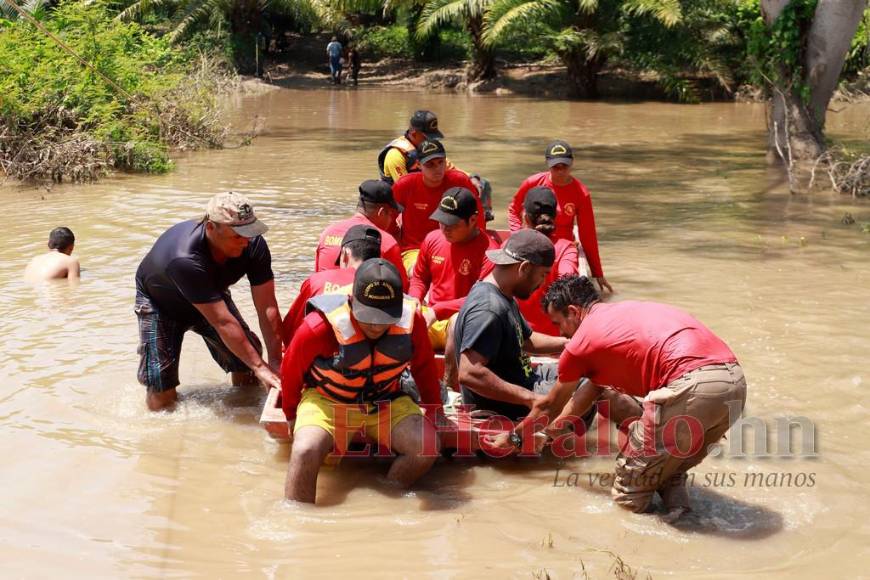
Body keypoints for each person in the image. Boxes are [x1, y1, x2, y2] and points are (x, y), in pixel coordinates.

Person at [492, 275, 747, 518]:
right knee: (667, 470)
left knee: (628, 492)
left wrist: (515, 437)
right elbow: (590, 391)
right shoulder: (620, 315)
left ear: (573, 311)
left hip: (691, 385)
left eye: (558, 323)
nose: (561, 334)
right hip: (733, 383)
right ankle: (684, 519)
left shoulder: (581, 344)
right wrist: (549, 434)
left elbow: (550, 405)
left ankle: (643, 543)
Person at [281, 259, 443, 503]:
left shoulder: (413, 322)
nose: (376, 326)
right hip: (328, 400)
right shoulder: (317, 327)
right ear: (351, 301)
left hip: (386, 400)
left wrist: (435, 410)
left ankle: (388, 496)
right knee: (305, 450)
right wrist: (291, 414)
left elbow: (424, 368)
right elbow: (291, 370)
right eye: (368, 317)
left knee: (427, 447)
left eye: (384, 318)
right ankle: (297, 515)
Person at [135, 192, 283, 412]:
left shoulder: (253, 245)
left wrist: (275, 362)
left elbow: (267, 306)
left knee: (247, 360)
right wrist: (261, 367)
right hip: (161, 304)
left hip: (210, 293)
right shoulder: (185, 258)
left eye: (250, 232)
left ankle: (243, 411)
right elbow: (222, 322)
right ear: (212, 228)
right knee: (160, 382)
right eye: (238, 235)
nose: (246, 241)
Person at [453, 230, 569, 421]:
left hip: (526, 377)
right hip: (506, 407)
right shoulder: (489, 310)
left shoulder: (504, 295)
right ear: (524, 268)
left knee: (582, 370)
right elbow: (469, 373)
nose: (542, 283)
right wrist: (530, 398)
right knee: (587, 387)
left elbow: (526, 340)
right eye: (543, 275)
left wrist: (569, 344)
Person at [507, 140, 612, 294]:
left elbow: (588, 235)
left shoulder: (581, 193)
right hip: (532, 244)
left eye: (565, 166)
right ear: (548, 164)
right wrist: (519, 237)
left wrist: (597, 272)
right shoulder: (532, 183)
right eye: (556, 167)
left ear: (572, 164)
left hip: (562, 250)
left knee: (564, 287)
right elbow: (513, 210)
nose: (560, 171)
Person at [482, 187, 579, 336]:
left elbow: (488, 288)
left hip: (513, 335)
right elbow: (568, 285)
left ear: (525, 217)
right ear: (555, 218)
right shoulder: (567, 248)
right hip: (551, 339)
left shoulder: (510, 247)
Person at [409, 187, 493, 350]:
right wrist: (414, 299)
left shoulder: (490, 252)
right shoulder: (432, 239)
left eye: (452, 224)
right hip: (430, 318)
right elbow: (419, 278)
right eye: (441, 222)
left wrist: (438, 311)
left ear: (473, 220)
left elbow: (483, 299)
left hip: (464, 322)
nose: (445, 229)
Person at [392, 139, 481, 275]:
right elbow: (388, 217)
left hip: (454, 243)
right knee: (417, 272)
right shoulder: (404, 185)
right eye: (430, 165)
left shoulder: (460, 180)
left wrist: (478, 244)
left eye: (441, 162)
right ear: (418, 165)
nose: (437, 168)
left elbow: (478, 214)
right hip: (415, 249)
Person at [282, 225, 381, 347]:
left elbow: (289, 331)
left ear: (345, 254)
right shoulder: (387, 287)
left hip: (326, 356)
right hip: (372, 355)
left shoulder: (317, 282)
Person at [314, 180, 408, 289]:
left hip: (324, 296)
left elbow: (316, 277)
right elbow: (402, 288)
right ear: (381, 212)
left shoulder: (327, 233)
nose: (393, 220)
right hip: (360, 298)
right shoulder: (386, 241)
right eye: (391, 214)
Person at [377, 110, 444, 185]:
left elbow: (451, 170)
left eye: (433, 138)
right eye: (427, 138)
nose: (431, 141)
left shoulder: (431, 149)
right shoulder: (395, 155)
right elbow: (405, 188)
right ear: (414, 134)